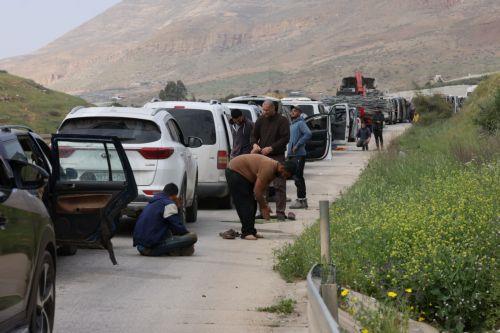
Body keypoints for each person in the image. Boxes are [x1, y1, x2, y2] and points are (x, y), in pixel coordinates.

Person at [225, 154, 297, 240]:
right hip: (235, 171)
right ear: (282, 168)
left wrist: (265, 205)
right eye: (285, 175)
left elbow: (262, 189)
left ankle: (251, 231)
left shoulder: (274, 170)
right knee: (245, 203)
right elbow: (257, 191)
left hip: (243, 175)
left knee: (252, 203)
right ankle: (246, 232)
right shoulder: (269, 168)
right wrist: (263, 207)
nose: (284, 178)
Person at [251, 100, 290, 220]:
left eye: (267, 110)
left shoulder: (282, 121)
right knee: (262, 185)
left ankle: (280, 212)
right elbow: (253, 135)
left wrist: (272, 148)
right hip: (263, 157)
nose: (265, 112)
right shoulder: (260, 120)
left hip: (277, 155)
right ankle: (263, 210)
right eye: (263, 109)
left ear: (274, 109)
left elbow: (285, 138)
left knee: (279, 185)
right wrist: (254, 144)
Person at [133, 183, 197, 256]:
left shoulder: (154, 201)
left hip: (140, 247)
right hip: (150, 248)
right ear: (174, 196)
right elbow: (178, 227)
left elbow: (172, 228)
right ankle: (176, 250)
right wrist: (178, 208)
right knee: (193, 236)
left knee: (168, 231)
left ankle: (174, 250)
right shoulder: (168, 204)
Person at [287, 106, 312, 209]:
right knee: (296, 177)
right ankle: (302, 201)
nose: (292, 112)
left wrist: (297, 145)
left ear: (300, 113)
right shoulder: (293, 124)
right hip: (292, 155)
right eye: (292, 111)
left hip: (299, 154)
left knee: (298, 178)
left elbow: (308, 134)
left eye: (295, 111)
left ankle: (301, 200)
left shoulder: (301, 123)